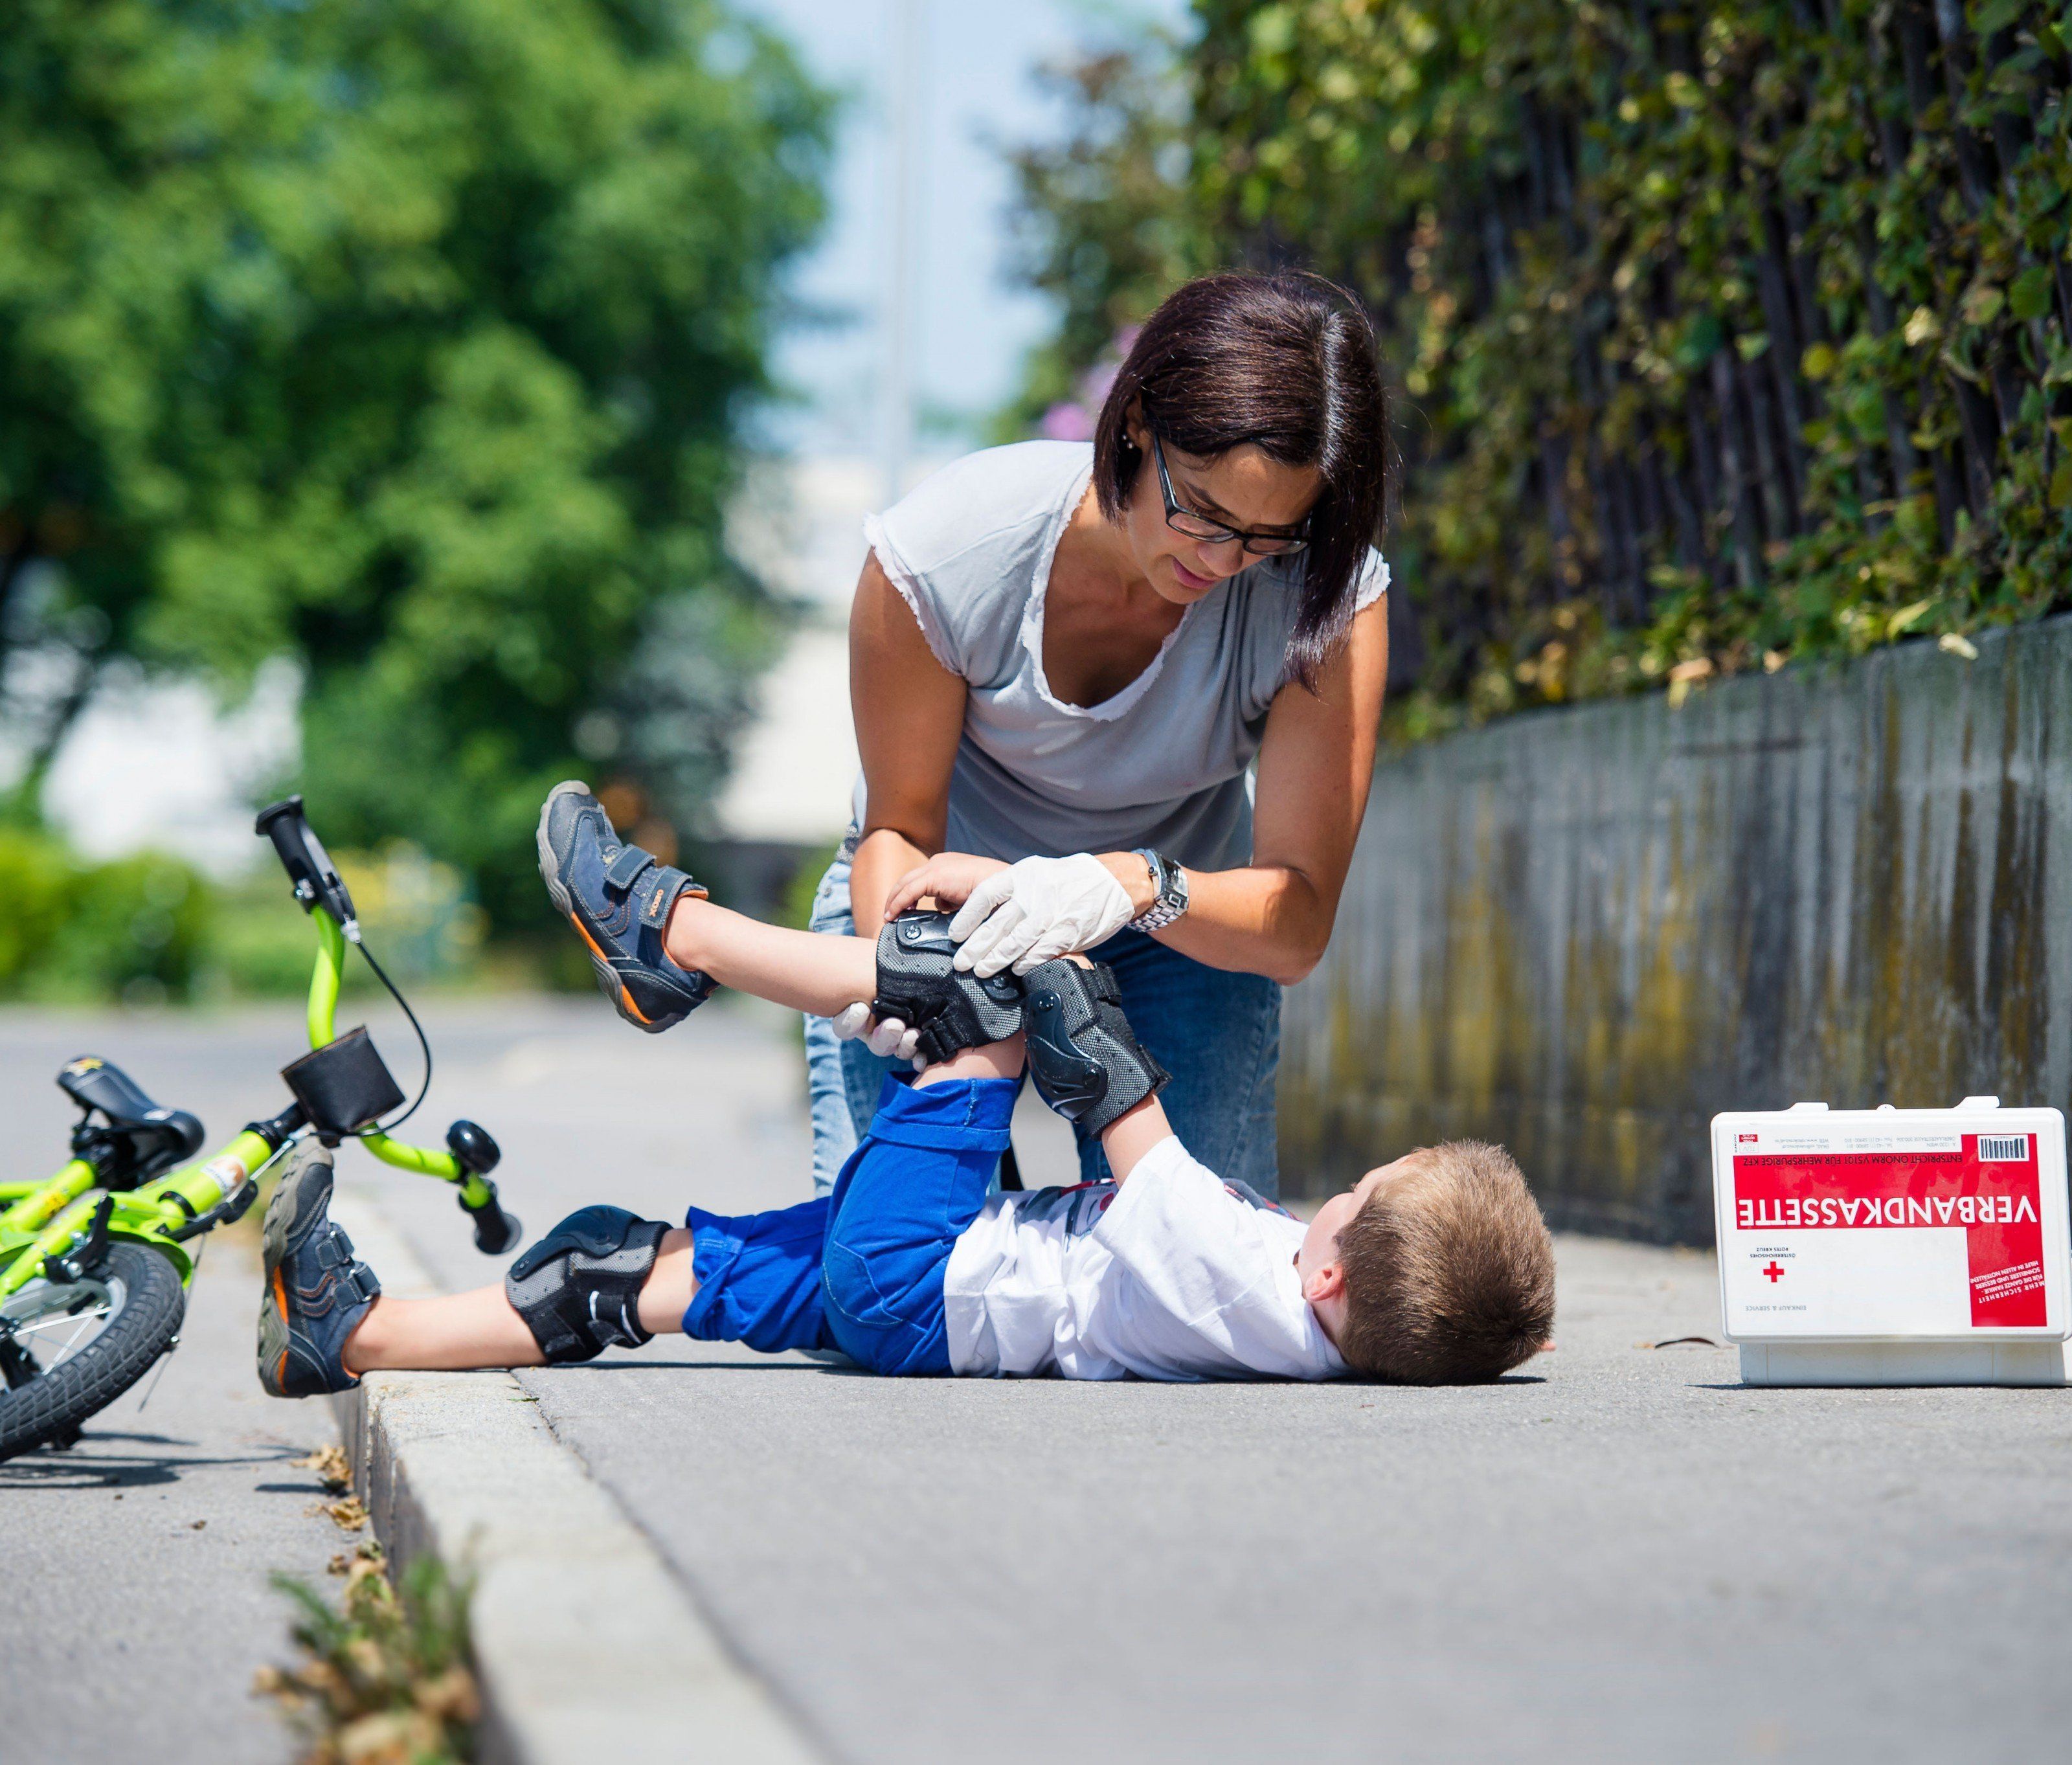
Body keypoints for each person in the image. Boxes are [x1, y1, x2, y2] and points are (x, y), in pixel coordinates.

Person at [256, 789, 1555, 1393]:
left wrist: (1031, 940)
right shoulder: (1312, 1320)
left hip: (920, 1268)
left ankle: (670, 935)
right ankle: (354, 1334)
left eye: (1359, 1196)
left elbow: (1112, 1098)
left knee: (978, 985)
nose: (1341, 1188)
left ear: (1332, 1273)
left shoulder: (1244, 1273)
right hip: (917, 1296)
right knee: (625, 1267)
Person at [802, 271, 1394, 1199]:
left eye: (1266, 537)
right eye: (1198, 508)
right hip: (939, 915)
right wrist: (903, 971)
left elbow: (1295, 924)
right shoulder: (947, 552)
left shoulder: (1325, 595)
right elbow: (898, 827)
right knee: (883, 1289)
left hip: (1175, 926)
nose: (1220, 561)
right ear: (1137, 424)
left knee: (1190, 1302)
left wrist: (1126, 886)